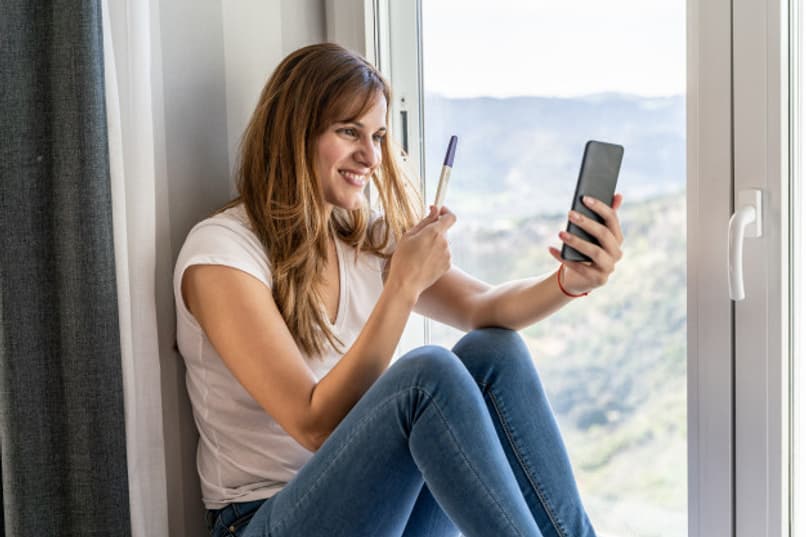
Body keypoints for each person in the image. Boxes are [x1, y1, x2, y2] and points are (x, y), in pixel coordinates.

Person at [174, 42, 624, 537]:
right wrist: (403, 285)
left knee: (493, 350)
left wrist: (567, 282)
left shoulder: (364, 236)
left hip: (382, 511)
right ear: (294, 133)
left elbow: (483, 307)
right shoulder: (222, 253)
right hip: (263, 519)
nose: (369, 156)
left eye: (379, 135)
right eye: (349, 132)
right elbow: (313, 425)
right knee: (424, 377)